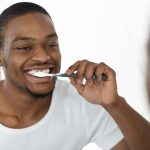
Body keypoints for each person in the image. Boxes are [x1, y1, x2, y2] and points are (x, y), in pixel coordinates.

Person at [0, 2, 149, 150]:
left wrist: (115, 104)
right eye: (24, 47)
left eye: (51, 45)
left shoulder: (85, 104)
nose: (44, 56)